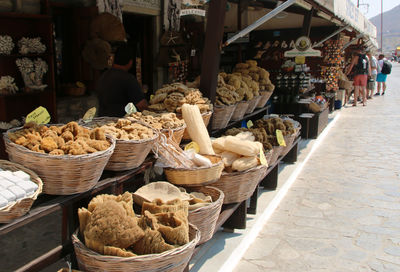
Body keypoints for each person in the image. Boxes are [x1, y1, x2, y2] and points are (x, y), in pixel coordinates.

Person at [97, 44, 148, 117]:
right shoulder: (128, 79)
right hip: (121, 121)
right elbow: (142, 105)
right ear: (130, 62)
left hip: (102, 119)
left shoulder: (104, 75)